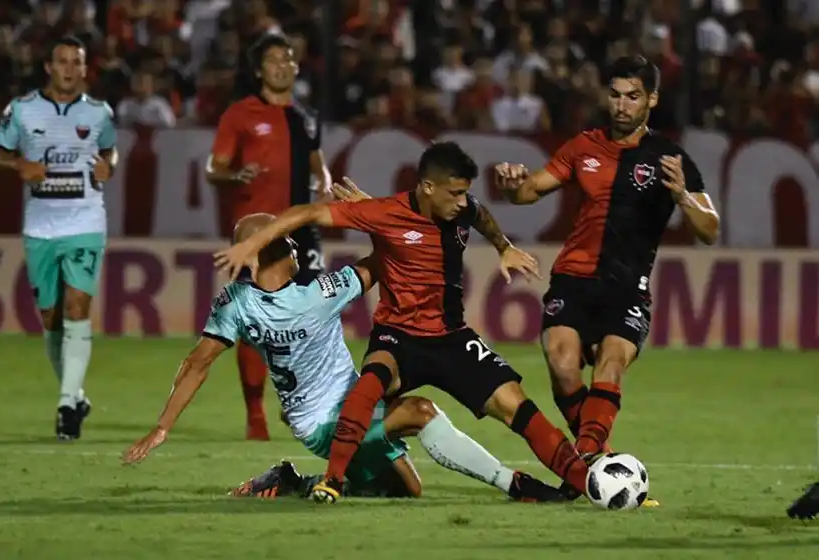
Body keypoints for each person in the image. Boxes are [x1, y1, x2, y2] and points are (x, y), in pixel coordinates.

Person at [214, 142, 595, 505]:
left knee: (517, 406)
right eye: (455, 193)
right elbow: (307, 213)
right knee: (371, 383)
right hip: (398, 338)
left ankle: (588, 486)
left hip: (452, 338)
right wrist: (253, 244)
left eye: (465, 193)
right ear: (428, 187)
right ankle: (332, 480)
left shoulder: (463, 208)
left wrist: (503, 246)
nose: (463, 202)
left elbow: (481, 215)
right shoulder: (384, 213)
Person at [123, 214, 563, 504]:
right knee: (421, 411)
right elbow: (381, 261)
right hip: (322, 425)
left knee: (407, 490)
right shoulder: (307, 295)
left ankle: (295, 482)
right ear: (268, 250)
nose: (297, 245)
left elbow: (197, 362)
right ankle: (514, 483)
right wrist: (382, 219)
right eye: (287, 240)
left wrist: (163, 426)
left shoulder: (252, 300)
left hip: (353, 402)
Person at [495, 55, 720, 504]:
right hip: (574, 278)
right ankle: (601, 463)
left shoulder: (669, 158)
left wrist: (682, 198)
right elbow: (529, 191)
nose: (621, 105)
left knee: (610, 363)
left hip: (627, 287)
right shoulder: (583, 146)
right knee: (561, 366)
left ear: (651, 99)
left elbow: (710, 230)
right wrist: (510, 183)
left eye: (633, 96)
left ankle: (586, 462)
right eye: (615, 95)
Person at [206, 33, 333, 441]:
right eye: (273, 59)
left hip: (301, 228)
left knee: (313, 316)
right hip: (255, 230)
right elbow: (214, 168)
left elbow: (317, 161)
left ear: (296, 67)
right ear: (260, 69)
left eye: (288, 58)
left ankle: (300, 401)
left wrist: (325, 183)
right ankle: (256, 413)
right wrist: (233, 175)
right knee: (255, 320)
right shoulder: (240, 114)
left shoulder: (306, 116)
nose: (281, 65)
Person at [0, 36, 118, 440]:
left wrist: (107, 167)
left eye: (75, 62)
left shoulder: (99, 113)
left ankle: (65, 407)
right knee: (50, 318)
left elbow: (110, 152)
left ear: (84, 69)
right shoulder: (23, 111)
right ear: (49, 67)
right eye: (61, 61)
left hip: (85, 223)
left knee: (78, 306)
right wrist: (19, 165)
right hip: (40, 226)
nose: (68, 68)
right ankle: (75, 393)